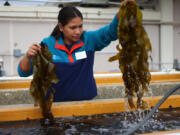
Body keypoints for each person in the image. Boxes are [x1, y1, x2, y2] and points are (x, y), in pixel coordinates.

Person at [17, 2, 129, 102]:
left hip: (86, 106)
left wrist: (121, 13)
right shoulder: (48, 44)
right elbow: (24, 72)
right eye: (73, 27)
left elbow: (111, 32)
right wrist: (27, 56)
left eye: (80, 26)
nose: (78, 31)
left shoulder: (89, 40)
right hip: (55, 108)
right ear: (61, 27)